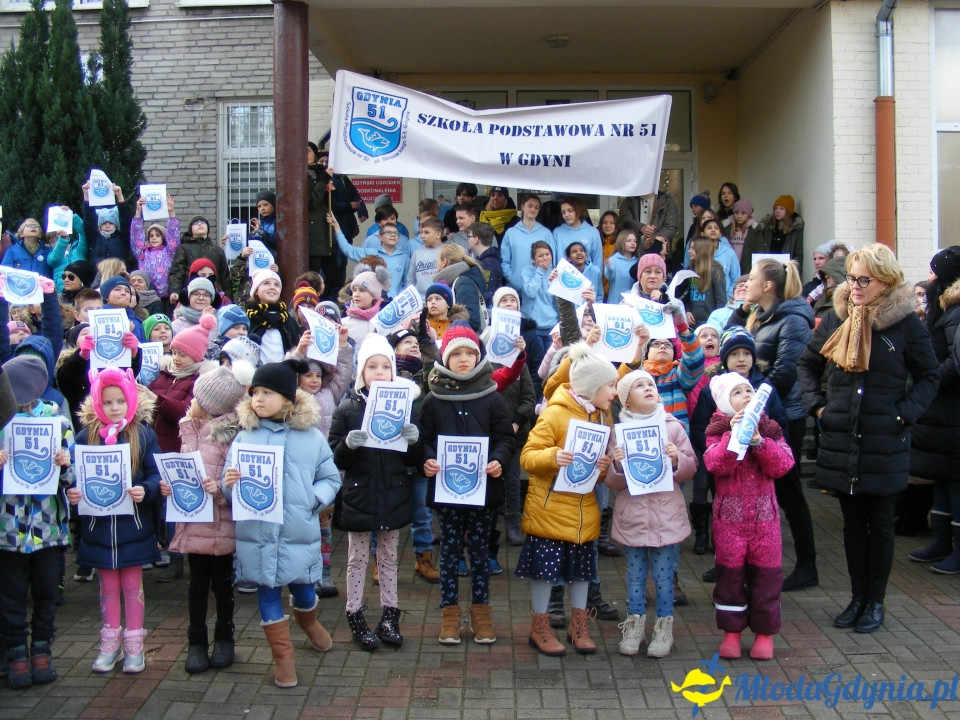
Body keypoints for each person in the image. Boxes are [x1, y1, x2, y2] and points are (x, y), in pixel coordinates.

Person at [798, 244, 938, 633]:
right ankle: (856, 597)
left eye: (864, 279)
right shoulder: (838, 318)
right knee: (852, 524)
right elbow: (807, 365)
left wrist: (902, 414)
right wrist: (820, 408)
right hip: (844, 437)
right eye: (852, 278)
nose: (855, 286)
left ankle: (875, 602)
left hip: (884, 438)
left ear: (886, 282)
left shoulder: (906, 324)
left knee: (881, 521)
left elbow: (930, 376)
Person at [224, 359, 342, 687]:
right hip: (258, 535)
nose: (258, 398)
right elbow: (227, 480)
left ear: (288, 398)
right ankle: (283, 657)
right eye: (255, 392)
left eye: (268, 392)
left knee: (303, 590)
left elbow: (330, 478)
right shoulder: (245, 436)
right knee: (267, 590)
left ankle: (309, 622)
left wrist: (313, 500)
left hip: (296, 532)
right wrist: (229, 483)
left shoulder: (311, 437)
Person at [518, 343, 617, 657]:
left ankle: (580, 624)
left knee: (581, 572)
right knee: (545, 572)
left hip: (583, 510)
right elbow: (528, 457)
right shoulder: (555, 414)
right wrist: (553, 456)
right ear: (591, 387)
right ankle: (539, 626)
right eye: (610, 386)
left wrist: (602, 469)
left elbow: (593, 471)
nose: (614, 392)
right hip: (549, 510)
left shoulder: (602, 416)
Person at [419, 323, 515, 645]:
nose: (463, 359)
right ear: (445, 358)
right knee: (448, 551)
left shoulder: (492, 397)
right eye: (456, 353)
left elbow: (505, 437)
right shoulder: (433, 400)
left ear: (479, 356)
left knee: (479, 551)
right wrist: (428, 459)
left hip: (483, 492)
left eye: (469, 353)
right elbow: (423, 439)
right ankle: (449, 614)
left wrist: (499, 459)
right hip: (447, 494)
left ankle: (480, 612)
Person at [726, 258, 818, 591]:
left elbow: (784, 374)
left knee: (789, 491)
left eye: (751, 279)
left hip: (783, 417)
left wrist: (751, 404)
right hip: (755, 415)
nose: (746, 283)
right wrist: (740, 310)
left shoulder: (793, 321)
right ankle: (743, 563)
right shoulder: (760, 316)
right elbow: (732, 344)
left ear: (768, 286)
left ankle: (808, 565)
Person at [66, 368, 162, 674]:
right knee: (107, 586)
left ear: (131, 399)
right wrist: (75, 493)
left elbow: (156, 475)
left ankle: (135, 647)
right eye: (108, 402)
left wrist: (144, 490)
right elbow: (76, 476)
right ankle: (109, 643)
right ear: (97, 403)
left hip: (133, 527)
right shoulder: (86, 436)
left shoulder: (143, 433)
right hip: (99, 529)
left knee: (133, 585)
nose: (115, 407)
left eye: (121, 400)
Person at [328, 335, 420, 652]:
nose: (379, 371)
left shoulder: (403, 405)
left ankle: (389, 615)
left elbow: (412, 460)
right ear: (361, 371)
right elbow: (336, 458)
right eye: (372, 366)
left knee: (390, 558)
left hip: (393, 492)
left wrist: (413, 439)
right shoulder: (347, 408)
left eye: (385, 366)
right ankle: (354, 613)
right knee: (356, 559)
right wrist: (348, 445)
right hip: (359, 493)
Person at [161, 364, 251, 673]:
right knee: (196, 586)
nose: (191, 402)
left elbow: (238, 482)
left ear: (210, 405)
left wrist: (220, 490)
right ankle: (196, 642)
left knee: (223, 586)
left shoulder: (232, 436)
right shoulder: (189, 428)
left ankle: (225, 638)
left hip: (221, 524)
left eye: (197, 397)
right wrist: (169, 485)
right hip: (195, 523)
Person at [704, 372, 795, 660]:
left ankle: (764, 635)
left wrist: (758, 441)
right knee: (730, 578)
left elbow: (782, 466)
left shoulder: (770, 430)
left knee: (766, 578)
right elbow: (716, 464)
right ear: (724, 403)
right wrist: (735, 435)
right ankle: (731, 634)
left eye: (749, 391)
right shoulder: (716, 430)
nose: (746, 396)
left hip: (765, 522)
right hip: (728, 522)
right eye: (738, 392)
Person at [607, 369, 696, 658]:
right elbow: (613, 481)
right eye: (639, 385)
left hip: (666, 515)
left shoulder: (672, 427)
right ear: (626, 401)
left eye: (651, 384)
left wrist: (676, 459)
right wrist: (617, 465)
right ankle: (634, 626)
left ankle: (663, 627)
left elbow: (692, 466)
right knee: (634, 576)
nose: (648, 388)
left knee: (664, 576)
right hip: (633, 516)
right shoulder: (617, 432)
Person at [0, 356, 73, 688]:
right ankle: (16, 655)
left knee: (46, 592)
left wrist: (65, 463)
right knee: (10, 596)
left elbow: (73, 481)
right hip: (8, 530)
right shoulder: (2, 423)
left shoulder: (57, 423)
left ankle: (42, 651)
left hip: (47, 529)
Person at [907, 246, 960, 573]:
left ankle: (956, 548)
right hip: (940, 409)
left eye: (933, 273)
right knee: (941, 475)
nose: (928, 279)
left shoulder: (956, 312)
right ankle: (941, 540)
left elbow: (956, 360)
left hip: (952, 409)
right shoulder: (945, 309)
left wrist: (930, 379)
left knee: (956, 479)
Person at [167, 216, 229, 306]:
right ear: (190, 229)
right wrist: (174, 291)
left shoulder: (217, 250)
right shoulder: (184, 248)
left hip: (214, 295)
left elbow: (225, 277)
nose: (200, 224)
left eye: (203, 222)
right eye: (196, 223)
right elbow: (177, 273)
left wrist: (228, 298)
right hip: (191, 294)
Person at [245, 269, 302, 364]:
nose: (272, 287)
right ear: (256, 291)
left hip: (284, 373)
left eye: (276, 285)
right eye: (266, 283)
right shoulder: (248, 318)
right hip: (257, 375)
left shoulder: (288, 320)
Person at [500, 193, 554, 290]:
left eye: (536, 207)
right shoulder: (511, 233)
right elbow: (505, 261)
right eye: (530, 206)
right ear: (522, 207)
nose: (533, 209)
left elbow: (551, 261)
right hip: (515, 288)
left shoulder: (546, 233)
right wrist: (512, 279)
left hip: (539, 289)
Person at [131, 195, 180, 300]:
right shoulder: (142, 253)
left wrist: (171, 213)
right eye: (151, 236)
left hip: (167, 295)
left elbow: (173, 237)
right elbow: (136, 236)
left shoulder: (169, 251)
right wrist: (138, 213)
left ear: (163, 238)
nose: (154, 238)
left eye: (158, 235)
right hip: (148, 295)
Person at [82, 183, 132, 268]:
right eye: (104, 223)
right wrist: (86, 194)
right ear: (99, 226)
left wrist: (119, 196)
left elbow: (125, 220)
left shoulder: (122, 237)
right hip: (98, 277)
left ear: (116, 225)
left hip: (118, 276)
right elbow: (89, 220)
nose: (107, 226)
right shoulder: (94, 238)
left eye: (111, 223)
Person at [682, 237, 727, 326]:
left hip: (710, 323)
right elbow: (686, 296)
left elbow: (721, 301)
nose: (689, 251)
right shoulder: (690, 270)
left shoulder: (716, 271)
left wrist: (716, 322)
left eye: (692, 248)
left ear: (702, 250)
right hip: (693, 323)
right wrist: (687, 311)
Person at [553, 197, 602, 269]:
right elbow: (554, 260)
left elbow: (597, 261)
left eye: (570, 210)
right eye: (563, 212)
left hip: (587, 278)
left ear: (578, 210)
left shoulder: (593, 232)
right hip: (564, 277)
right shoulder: (557, 232)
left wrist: (596, 278)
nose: (566, 215)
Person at [759, 195, 805, 272]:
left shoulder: (795, 229)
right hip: (768, 269)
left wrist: (793, 272)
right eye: (776, 208)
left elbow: (798, 254)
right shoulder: (768, 227)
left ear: (788, 211)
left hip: (785, 270)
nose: (778, 211)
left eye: (781, 208)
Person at [604, 229, 639, 305]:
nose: (632, 243)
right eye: (629, 241)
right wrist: (609, 268)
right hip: (615, 302)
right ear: (621, 242)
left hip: (632, 303)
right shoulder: (613, 260)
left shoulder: (638, 262)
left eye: (634, 241)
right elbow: (609, 276)